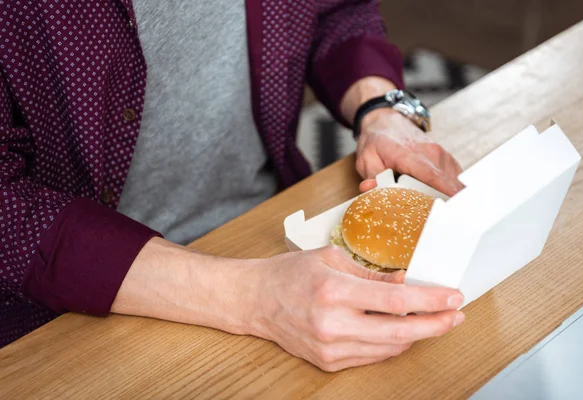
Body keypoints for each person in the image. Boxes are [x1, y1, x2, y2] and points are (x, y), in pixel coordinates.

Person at [0, 0, 465, 371]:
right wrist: (251, 298)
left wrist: (380, 111)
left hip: (274, 230)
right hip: (72, 306)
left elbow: (336, 12)